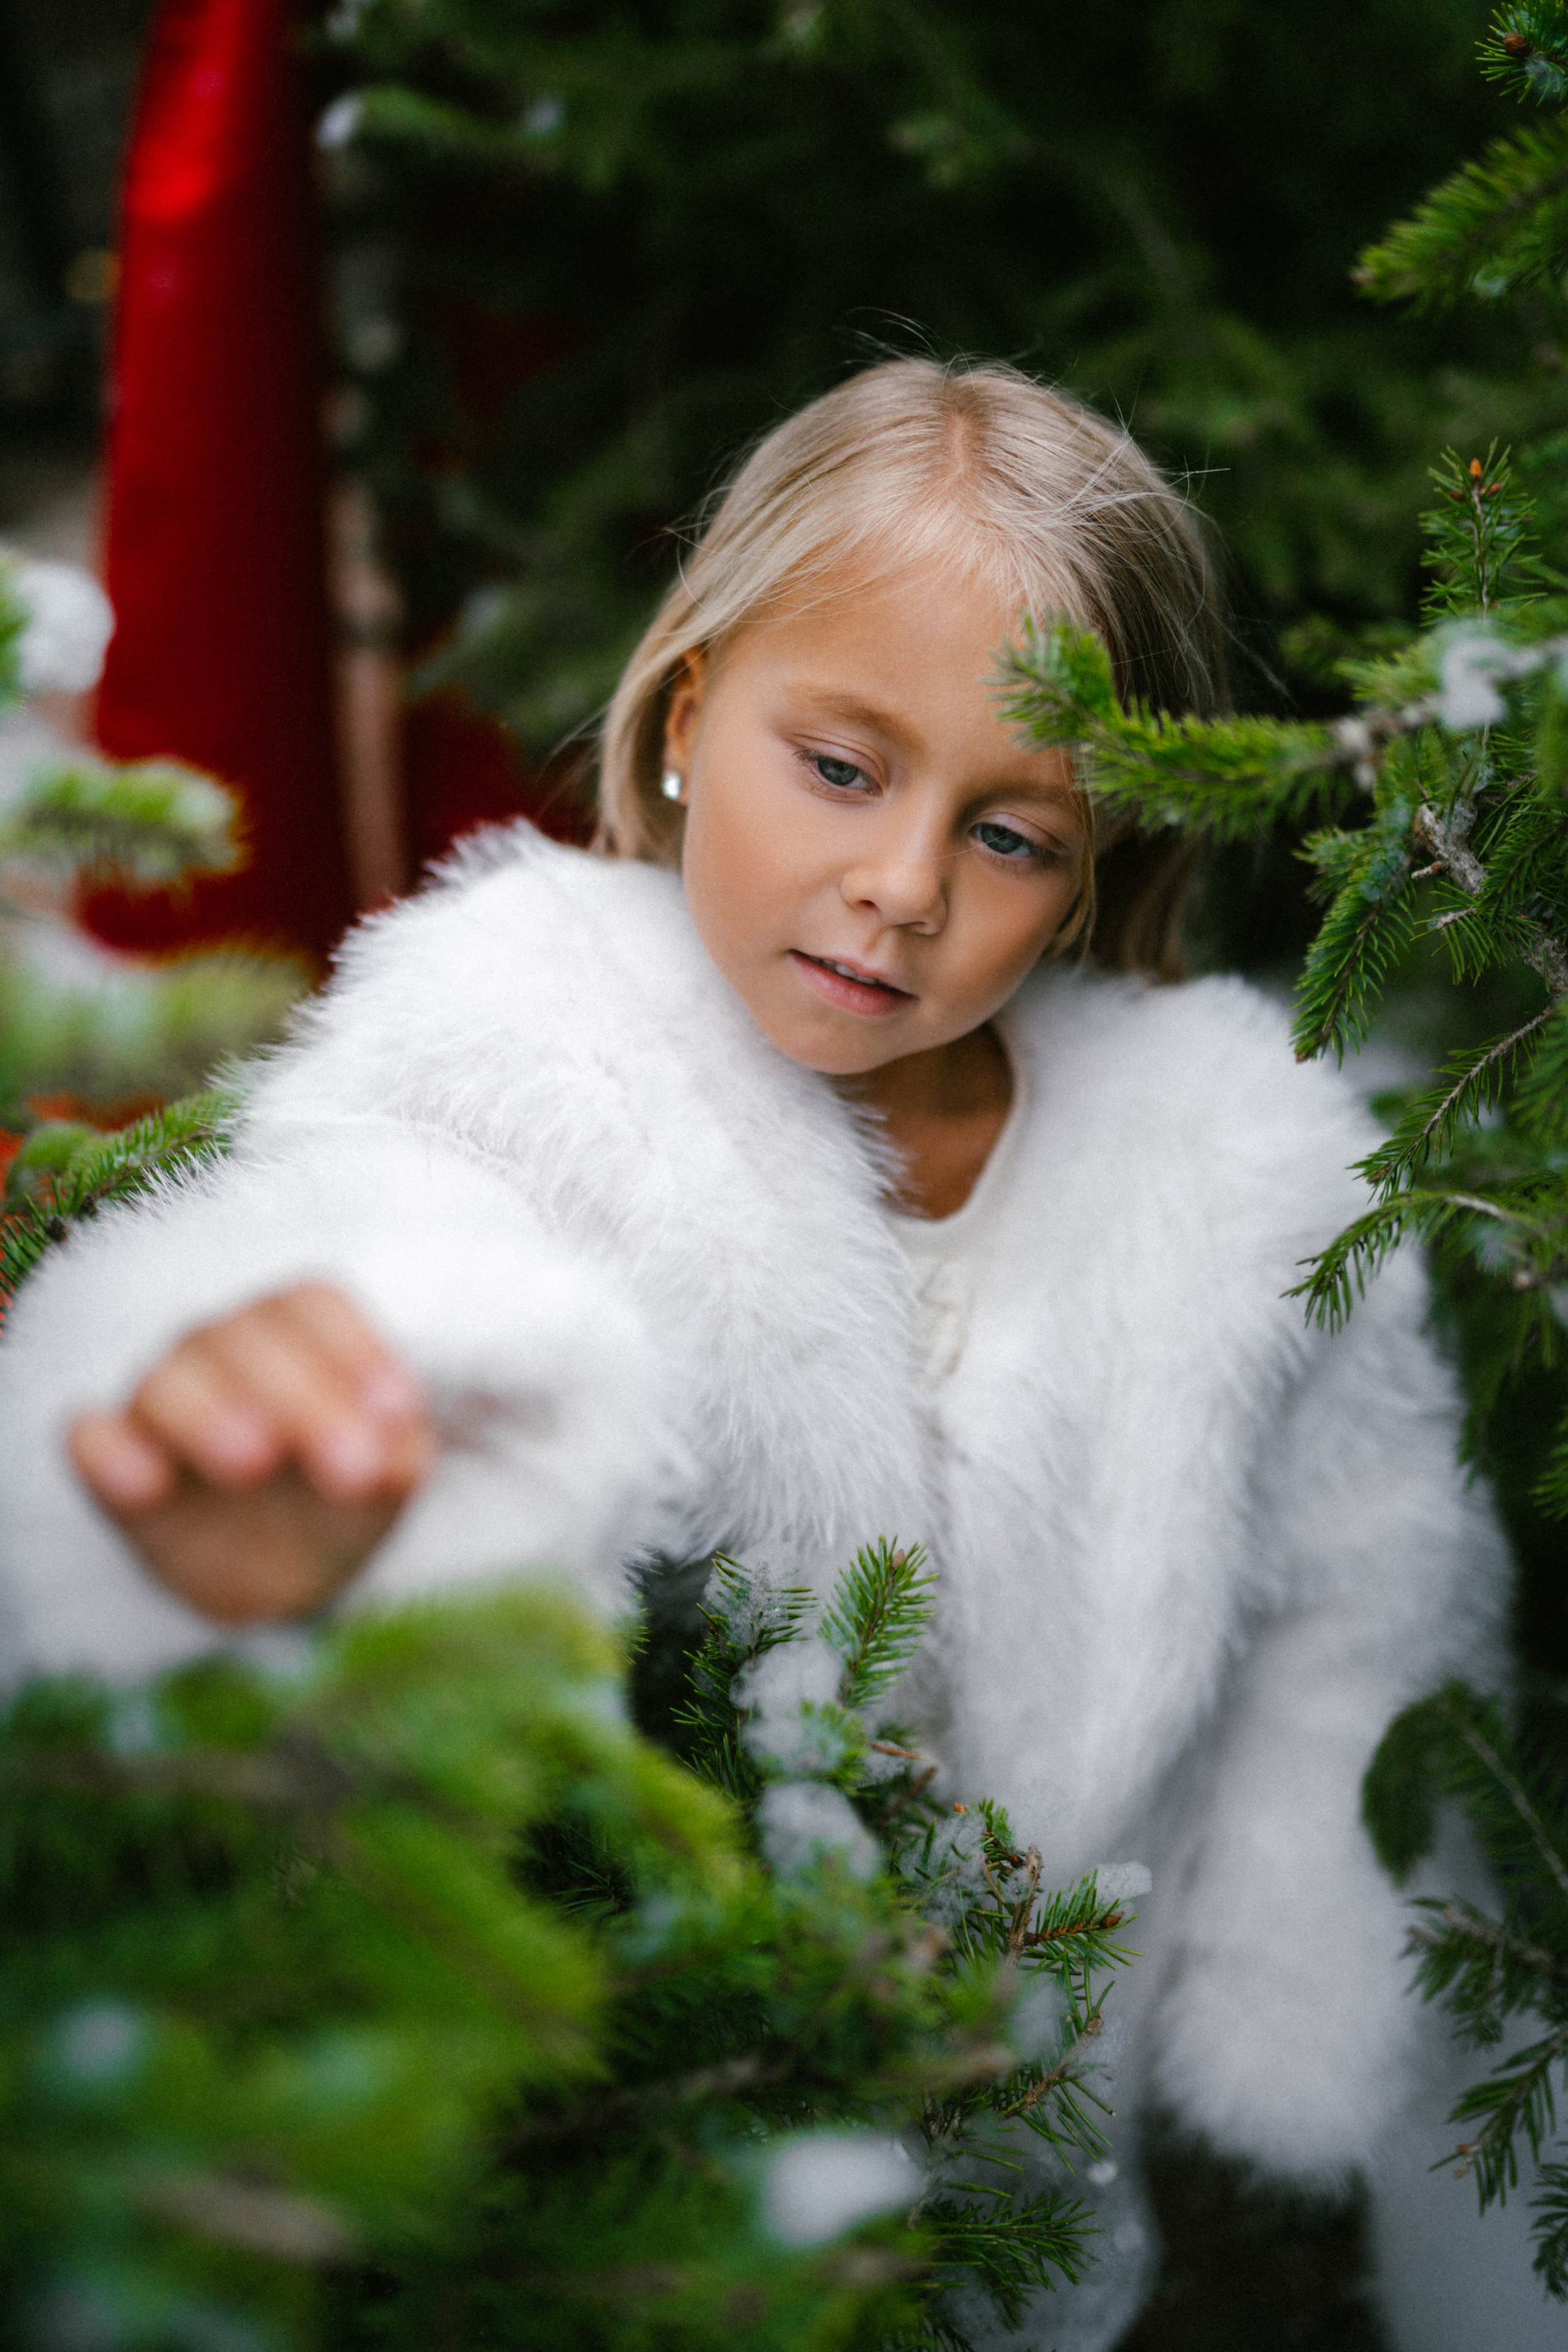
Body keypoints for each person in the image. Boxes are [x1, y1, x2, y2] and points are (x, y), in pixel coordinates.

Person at [0, 358, 1505, 2349]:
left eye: (1013, 835)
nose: (902, 889)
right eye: (847, 766)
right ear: (696, 709)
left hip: (1093, 2204)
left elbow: (1369, 1618)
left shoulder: (1244, 1179)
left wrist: (1294, 2040)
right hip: (684, 2214)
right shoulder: (520, 1065)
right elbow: (391, 1266)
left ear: (1104, 850)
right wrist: (253, 1404)